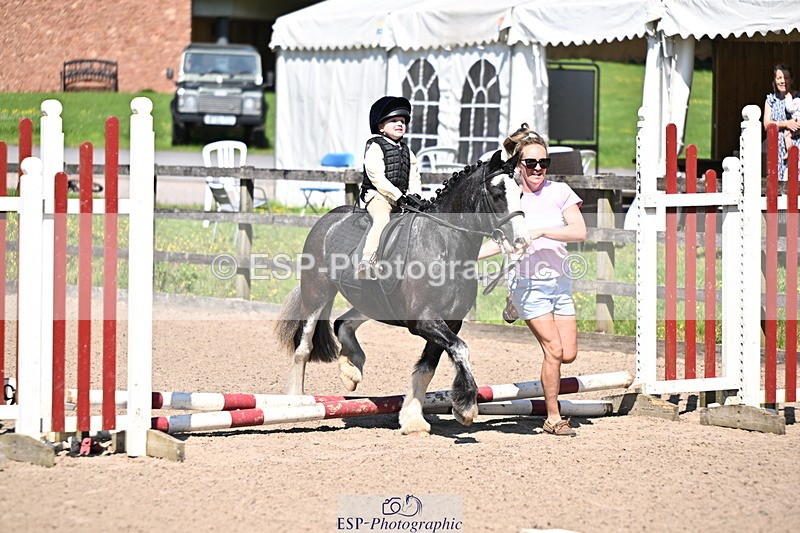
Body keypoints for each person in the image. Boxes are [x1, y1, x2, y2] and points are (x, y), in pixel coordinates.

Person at [479, 123, 587, 437]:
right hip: (527, 284)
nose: (538, 168)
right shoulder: (510, 199)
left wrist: (540, 231)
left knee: (569, 354)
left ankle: (512, 305)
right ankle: (553, 419)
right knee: (553, 351)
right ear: (519, 166)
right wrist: (466, 257)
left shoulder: (560, 193)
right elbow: (499, 242)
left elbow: (579, 232)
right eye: (531, 163)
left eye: (544, 163)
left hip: (560, 283)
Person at [358, 96, 422, 280]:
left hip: (401, 199)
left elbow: (414, 176)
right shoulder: (375, 146)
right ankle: (367, 261)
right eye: (393, 121)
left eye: (402, 121)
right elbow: (376, 176)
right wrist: (397, 195)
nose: (399, 124)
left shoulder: (407, 151)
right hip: (378, 198)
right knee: (382, 220)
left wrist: (415, 196)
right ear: (381, 127)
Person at [763, 64, 800, 181]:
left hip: (796, 143)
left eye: (786, 78)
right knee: (777, 180)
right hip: (777, 146)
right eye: (779, 78)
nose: (783, 81)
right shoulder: (771, 100)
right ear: (775, 80)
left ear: (792, 80)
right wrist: (786, 123)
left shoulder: (798, 98)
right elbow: (766, 124)